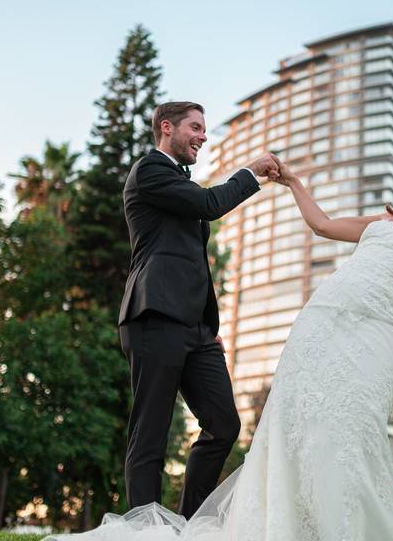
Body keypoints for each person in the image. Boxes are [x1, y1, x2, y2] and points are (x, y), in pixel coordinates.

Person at [50, 133, 393, 541]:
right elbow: (321, 225)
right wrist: (293, 182)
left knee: (353, 426)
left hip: (374, 327)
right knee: (297, 421)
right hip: (322, 319)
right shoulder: (386, 219)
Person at [116, 101, 279, 518]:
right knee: (150, 432)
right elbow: (209, 204)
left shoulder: (177, 182)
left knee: (224, 424)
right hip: (153, 316)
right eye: (196, 127)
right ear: (166, 127)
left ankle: (189, 524)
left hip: (197, 330)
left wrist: (207, 323)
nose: (203, 136)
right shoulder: (149, 170)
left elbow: (191, 258)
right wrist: (251, 171)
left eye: (204, 129)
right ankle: (145, 529)